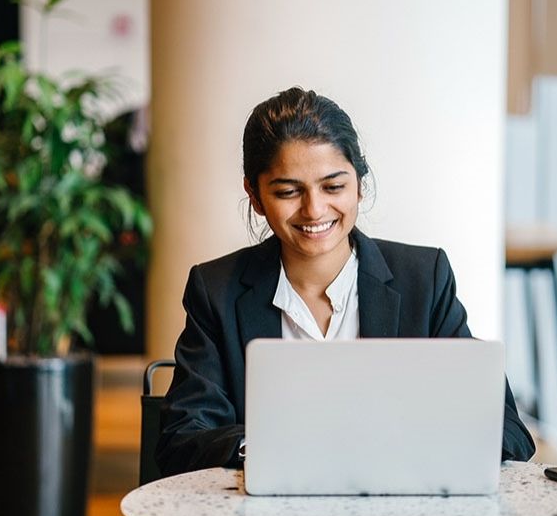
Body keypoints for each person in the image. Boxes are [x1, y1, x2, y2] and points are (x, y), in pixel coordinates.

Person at [155, 87, 536, 479]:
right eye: (288, 192)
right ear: (254, 195)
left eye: (333, 187)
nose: (314, 210)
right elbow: (182, 440)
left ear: (360, 183)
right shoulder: (217, 290)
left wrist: (417, 441)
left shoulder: (424, 278)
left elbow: (510, 435)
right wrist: (270, 448)